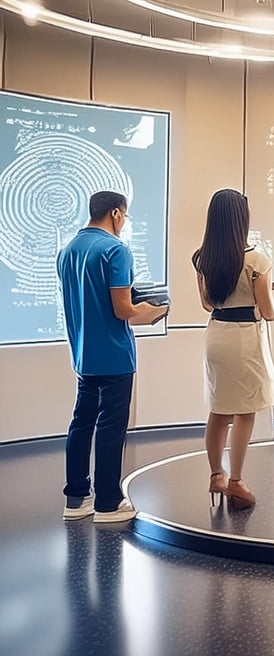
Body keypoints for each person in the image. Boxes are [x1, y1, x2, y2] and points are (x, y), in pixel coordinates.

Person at [57, 191, 169, 523]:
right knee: (110, 428)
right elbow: (123, 309)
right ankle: (107, 503)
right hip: (115, 356)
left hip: (83, 355)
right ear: (117, 213)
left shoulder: (67, 251)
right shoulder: (115, 250)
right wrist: (151, 311)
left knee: (80, 424)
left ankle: (76, 500)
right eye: (125, 217)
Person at [193, 189, 274, 509]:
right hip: (245, 336)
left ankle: (216, 474)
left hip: (217, 334)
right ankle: (237, 481)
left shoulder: (202, 258)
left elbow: (207, 304)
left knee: (219, 410)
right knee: (245, 412)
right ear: (240, 219)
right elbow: (268, 311)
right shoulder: (257, 259)